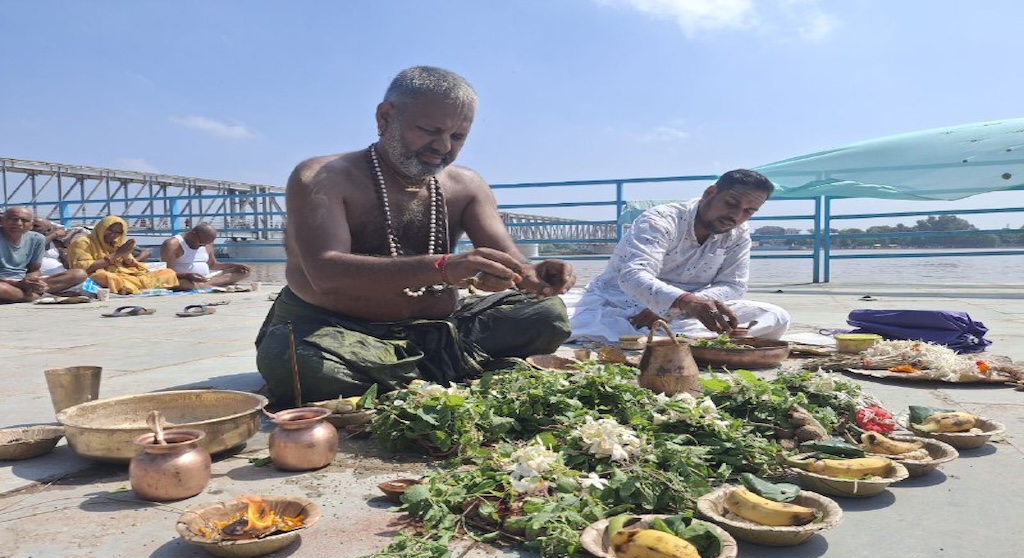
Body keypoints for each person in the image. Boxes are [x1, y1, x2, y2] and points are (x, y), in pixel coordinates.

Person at [255, 66, 575, 406]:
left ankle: (405, 378)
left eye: (457, 137)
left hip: (439, 331)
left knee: (547, 316)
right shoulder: (322, 177)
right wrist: (441, 268)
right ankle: (441, 375)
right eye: (428, 130)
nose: (442, 147)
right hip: (336, 330)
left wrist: (533, 274)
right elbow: (325, 273)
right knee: (294, 363)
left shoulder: (466, 185)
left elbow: (511, 261)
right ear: (385, 117)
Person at [569, 169, 790, 343]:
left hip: (693, 311)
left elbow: (733, 285)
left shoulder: (739, 234)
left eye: (748, 211)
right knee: (591, 324)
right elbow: (633, 275)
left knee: (776, 316)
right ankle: (681, 339)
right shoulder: (660, 220)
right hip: (627, 304)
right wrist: (678, 301)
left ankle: (676, 337)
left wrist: (685, 306)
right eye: (731, 203)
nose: (736, 215)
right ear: (709, 193)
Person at [66, 215, 178, 295]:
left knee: (168, 272)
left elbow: (132, 265)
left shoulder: (117, 243)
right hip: (100, 274)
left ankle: (131, 287)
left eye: (117, 232)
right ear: (101, 228)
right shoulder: (83, 242)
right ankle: (131, 286)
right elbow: (82, 268)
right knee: (105, 277)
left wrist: (128, 258)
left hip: (127, 275)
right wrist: (117, 254)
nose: (113, 235)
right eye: (110, 230)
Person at [0, 207, 88, 303]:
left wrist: (33, 280)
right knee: (2, 288)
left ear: (31, 226)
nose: (18, 223)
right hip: (5, 282)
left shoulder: (37, 239)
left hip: (23, 282)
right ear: (2, 221)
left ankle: (31, 293)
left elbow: (34, 269)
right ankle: (33, 297)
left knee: (79, 274)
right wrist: (17, 284)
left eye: (24, 220)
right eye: (13, 219)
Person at [160, 222, 251, 290]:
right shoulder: (172, 244)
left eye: (205, 244)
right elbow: (167, 273)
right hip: (184, 279)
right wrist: (187, 275)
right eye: (201, 244)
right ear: (193, 234)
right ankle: (212, 285)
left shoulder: (207, 243)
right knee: (182, 283)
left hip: (206, 277)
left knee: (244, 272)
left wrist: (235, 265)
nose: (202, 246)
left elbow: (213, 265)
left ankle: (208, 285)